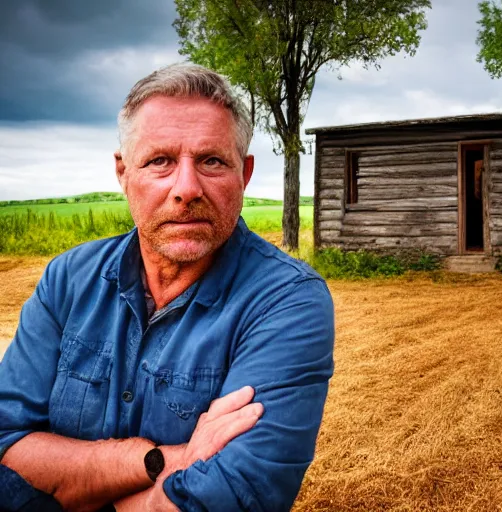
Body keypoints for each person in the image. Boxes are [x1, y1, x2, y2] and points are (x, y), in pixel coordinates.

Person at [0, 63, 335, 511]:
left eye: (211, 161)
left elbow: (235, 495)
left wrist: (69, 483)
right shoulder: (68, 278)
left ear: (246, 173)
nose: (186, 188)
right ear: (123, 173)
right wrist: (162, 460)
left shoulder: (287, 302)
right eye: (160, 161)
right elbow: (6, 442)